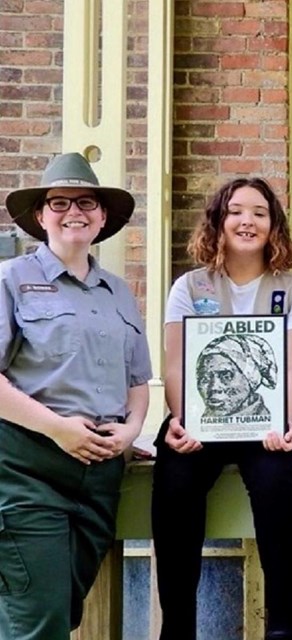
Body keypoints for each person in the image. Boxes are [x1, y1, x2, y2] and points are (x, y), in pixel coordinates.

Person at [151, 177, 292, 640]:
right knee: (175, 475)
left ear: (274, 225)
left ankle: (283, 622)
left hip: (279, 417)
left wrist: (281, 422)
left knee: (275, 477)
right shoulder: (189, 286)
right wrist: (183, 420)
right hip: (202, 413)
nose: (248, 220)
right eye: (237, 211)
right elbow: (176, 366)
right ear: (219, 222)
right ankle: (178, 626)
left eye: (260, 212)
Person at [0, 152, 152, 639]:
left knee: (61, 613)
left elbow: (136, 382)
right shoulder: (10, 280)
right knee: (37, 619)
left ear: (103, 217)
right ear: (40, 217)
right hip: (28, 469)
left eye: (85, 201)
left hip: (100, 477)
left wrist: (129, 433)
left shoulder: (118, 292)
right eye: (59, 202)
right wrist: (59, 429)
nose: (74, 211)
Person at [196, 333, 277, 419]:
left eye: (226, 376)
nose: (214, 387)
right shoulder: (195, 426)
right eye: (204, 378)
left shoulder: (272, 425)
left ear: (251, 378)